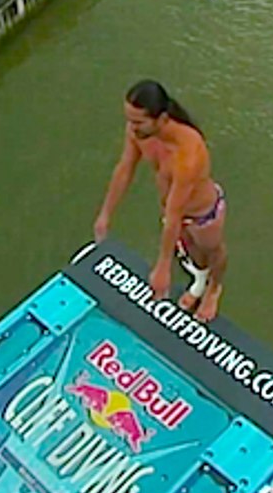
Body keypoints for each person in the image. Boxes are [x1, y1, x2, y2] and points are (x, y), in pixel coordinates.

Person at [94, 80, 228, 322]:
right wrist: (105, 214)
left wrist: (162, 266)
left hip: (202, 214)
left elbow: (176, 214)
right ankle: (199, 279)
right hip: (171, 211)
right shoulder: (139, 133)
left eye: (138, 122)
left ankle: (214, 289)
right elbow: (125, 169)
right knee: (193, 254)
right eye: (129, 119)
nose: (131, 127)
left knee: (212, 251)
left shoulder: (188, 152)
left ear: (162, 118)